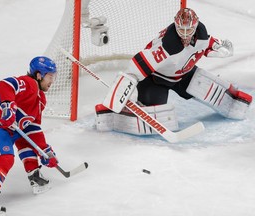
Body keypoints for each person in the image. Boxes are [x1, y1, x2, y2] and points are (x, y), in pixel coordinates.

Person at [95, 8, 252, 135]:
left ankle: (233, 104)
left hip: (183, 74)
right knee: (159, 120)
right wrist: (122, 90)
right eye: (181, 30)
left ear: (195, 26)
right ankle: (113, 117)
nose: (184, 35)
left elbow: (211, 45)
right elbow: (135, 67)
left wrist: (222, 48)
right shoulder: (166, 47)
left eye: (189, 29)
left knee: (205, 84)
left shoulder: (201, 35)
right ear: (175, 26)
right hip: (156, 80)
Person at [0, 56, 58, 215]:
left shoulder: (41, 100)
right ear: (39, 75)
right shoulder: (29, 83)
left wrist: (45, 150)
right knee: (4, 158)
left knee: (27, 141)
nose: (52, 80)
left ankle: (35, 176)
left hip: (7, 124)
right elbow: (6, 84)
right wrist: (7, 107)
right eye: (50, 76)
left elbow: (32, 128)